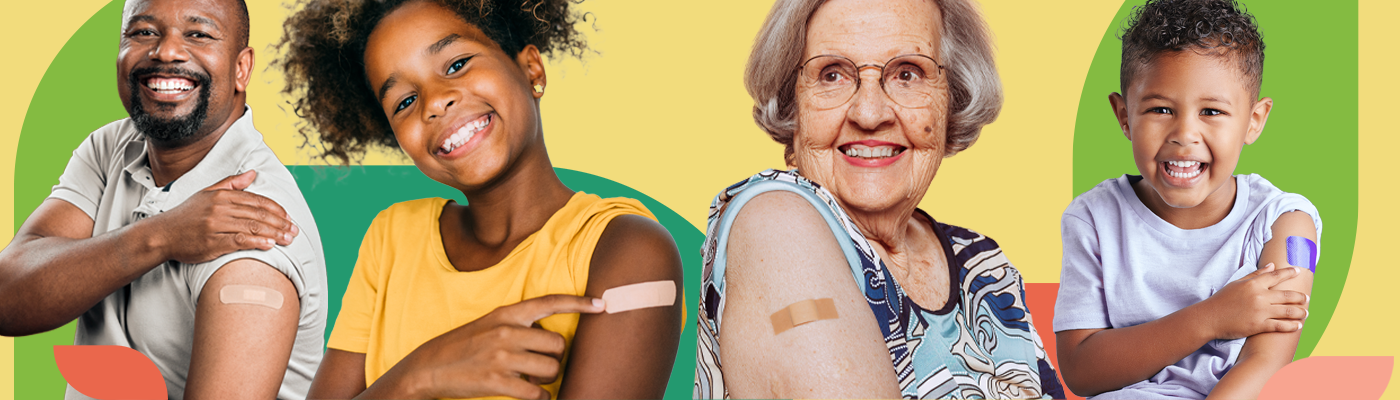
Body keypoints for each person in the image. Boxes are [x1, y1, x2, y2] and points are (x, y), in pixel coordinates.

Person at [275, 0, 685, 398]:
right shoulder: (392, 238)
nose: (435, 102)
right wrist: (420, 375)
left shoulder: (628, 250)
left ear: (531, 69)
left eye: (456, 65)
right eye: (404, 101)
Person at [694, 0, 1064, 398]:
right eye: (832, 74)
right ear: (793, 104)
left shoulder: (983, 264)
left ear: (951, 100)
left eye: (907, 74)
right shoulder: (774, 224)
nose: (869, 114)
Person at [0, 0, 328, 398]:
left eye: (199, 34)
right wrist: (161, 236)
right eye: (144, 32)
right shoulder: (112, 147)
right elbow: (7, 297)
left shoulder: (252, 230)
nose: (167, 51)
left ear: (241, 68)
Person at [1053, 1, 1318, 399]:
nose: (1184, 134)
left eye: (1211, 111)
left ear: (1254, 121)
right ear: (1124, 116)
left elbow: (1267, 360)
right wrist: (1211, 319)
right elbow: (1079, 370)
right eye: (1160, 109)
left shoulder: (1286, 223)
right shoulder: (1092, 219)